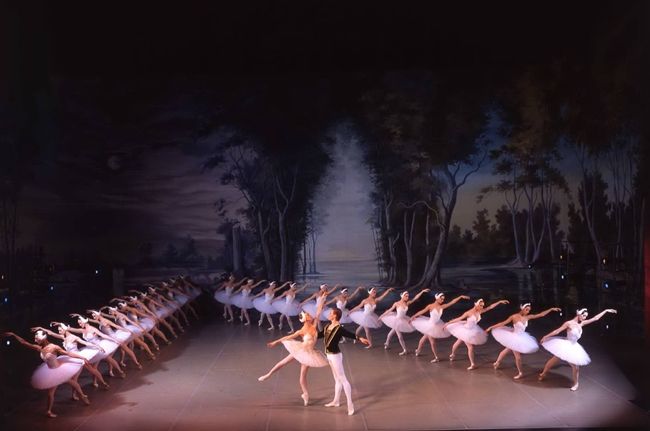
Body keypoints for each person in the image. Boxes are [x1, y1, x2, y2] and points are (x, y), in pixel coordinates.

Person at [4, 330, 91, 418]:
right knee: (51, 393)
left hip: (59, 370)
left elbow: (68, 353)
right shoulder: (39, 348)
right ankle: (49, 411)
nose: (35, 341)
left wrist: (82, 357)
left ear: (44, 338)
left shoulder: (53, 347)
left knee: (71, 382)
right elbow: (24, 342)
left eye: (37, 339)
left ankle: (82, 396)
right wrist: (14, 334)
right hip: (51, 372)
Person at [257, 311, 328, 406]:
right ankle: (268, 375)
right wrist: (276, 342)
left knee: (302, 376)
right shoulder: (301, 331)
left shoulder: (314, 325)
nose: (311, 315)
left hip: (309, 353)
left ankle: (305, 395)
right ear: (306, 319)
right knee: (283, 362)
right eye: (308, 315)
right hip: (301, 350)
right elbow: (288, 337)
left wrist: (323, 302)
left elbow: (318, 312)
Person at [539, 308, 617, 391]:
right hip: (566, 345)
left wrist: (606, 311)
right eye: (584, 315)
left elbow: (595, 318)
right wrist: (545, 336)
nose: (585, 317)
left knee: (575, 366)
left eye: (586, 316)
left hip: (574, 346)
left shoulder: (581, 324)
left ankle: (576, 383)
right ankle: (543, 373)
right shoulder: (569, 323)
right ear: (579, 314)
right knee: (554, 359)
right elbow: (557, 331)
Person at [315, 302, 369, 416]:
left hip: (335, 356)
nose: (329, 315)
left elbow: (350, 334)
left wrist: (360, 338)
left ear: (335, 316)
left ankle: (350, 404)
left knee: (343, 379)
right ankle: (336, 401)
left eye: (330, 313)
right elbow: (319, 335)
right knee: (337, 379)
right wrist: (308, 334)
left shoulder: (339, 328)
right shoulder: (327, 326)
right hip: (328, 355)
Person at [486, 303, 560, 379]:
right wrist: (491, 327)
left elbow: (541, 314)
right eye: (526, 309)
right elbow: (503, 323)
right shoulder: (514, 316)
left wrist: (551, 309)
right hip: (514, 337)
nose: (528, 311)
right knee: (518, 357)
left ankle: (497, 363)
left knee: (506, 350)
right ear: (522, 308)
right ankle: (520, 372)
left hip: (522, 337)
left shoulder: (528, 317)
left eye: (529, 310)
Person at [444, 298, 509, 370]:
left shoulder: (480, 311)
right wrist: (448, 323)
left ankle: (452, 354)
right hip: (466, 330)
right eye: (480, 305)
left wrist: (499, 302)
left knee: (459, 341)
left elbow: (490, 307)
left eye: (482, 305)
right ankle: (472, 364)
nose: (482, 307)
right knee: (470, 347)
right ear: (476, 304)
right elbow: (459, 318)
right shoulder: (469, 312)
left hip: (473, 330)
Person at [409, 292, 470, 362]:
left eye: (443, 299)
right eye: (441, 299)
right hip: (430, 325)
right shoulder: (430, 306)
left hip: (437, 325)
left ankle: (418, 350)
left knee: (425, 337)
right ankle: (436, 357)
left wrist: (460, 297)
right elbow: (422, 311)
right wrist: (413, 316)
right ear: (437, 298)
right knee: (432, 342)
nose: (442, 300)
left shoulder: (442, 306)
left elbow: (452, 302)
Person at [379, 289, 430, 355]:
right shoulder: (396, 303)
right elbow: (389, 310)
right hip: (396, 320)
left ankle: (387, 343)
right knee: (399, 336)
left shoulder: (407, 303)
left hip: (404, 320)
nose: (407, 297)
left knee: (391, 333)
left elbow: (415, 298)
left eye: (408, 296)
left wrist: (422, 291)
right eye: (406, 296)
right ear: (402, 296)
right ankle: (404, 350)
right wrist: (381, 316)